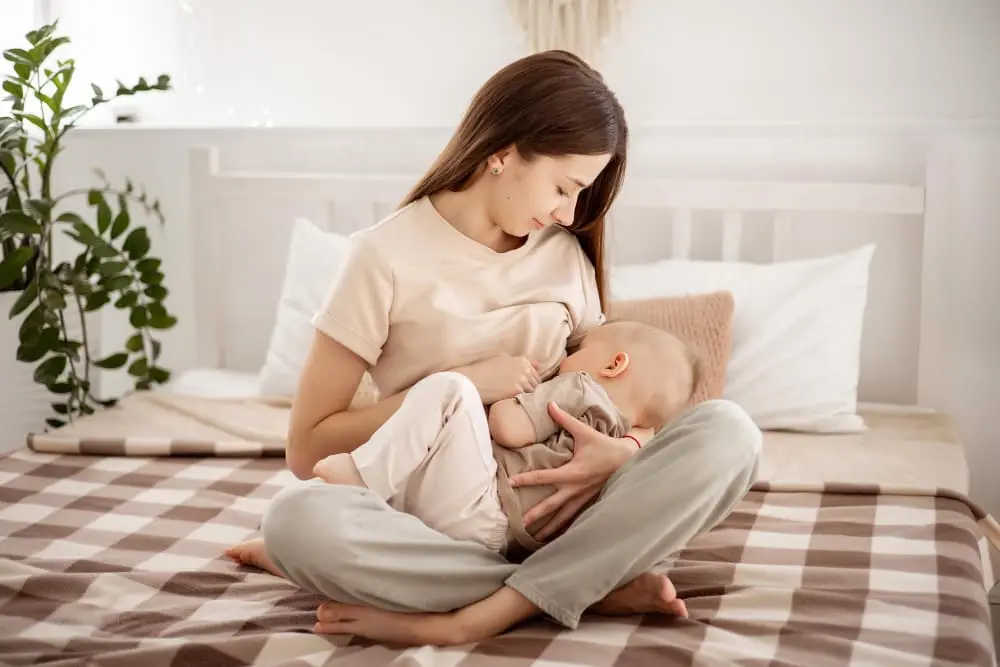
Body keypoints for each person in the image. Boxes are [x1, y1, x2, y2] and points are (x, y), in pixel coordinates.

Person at [226, 49, 762, 646]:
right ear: (503, 153)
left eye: (582, 193)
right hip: (437, 527)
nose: (570, 211)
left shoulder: (563, 253)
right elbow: (308, 448)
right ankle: (574, 588)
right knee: (297, 521)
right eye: (564, 186)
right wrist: (467, 384)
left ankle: (483, 608)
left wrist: (630, 450)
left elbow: (611, 395)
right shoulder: (381, 258)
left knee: (731, 433)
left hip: (561, 517)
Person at [229, 319, 701, 573]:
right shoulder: (627, 450)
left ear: (614, 364)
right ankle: (285, 554)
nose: (567, 357)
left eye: (578, 349)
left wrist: (512, 393)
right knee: (392, 515)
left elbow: (510, 429)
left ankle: (358, 478)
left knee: (451, 391)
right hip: (499, 544)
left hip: (485, 505)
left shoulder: (581, 389)